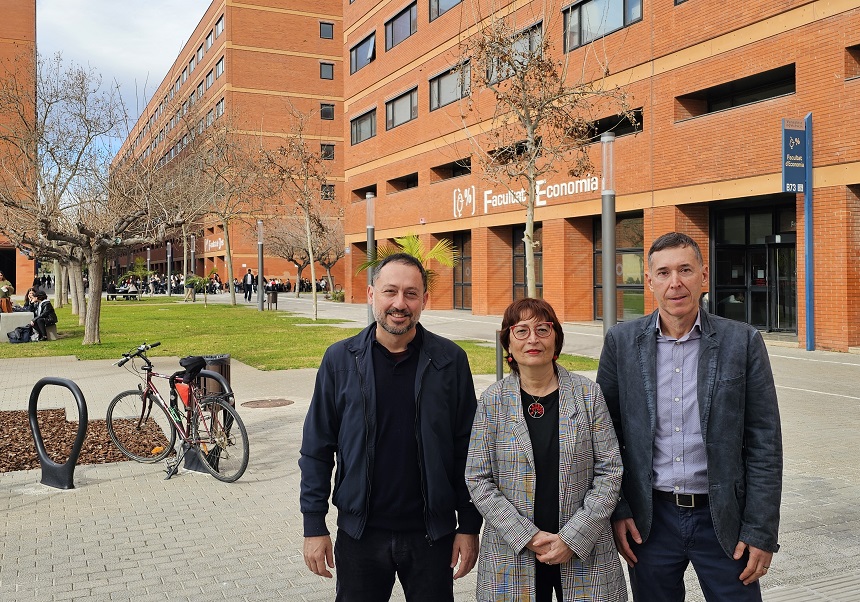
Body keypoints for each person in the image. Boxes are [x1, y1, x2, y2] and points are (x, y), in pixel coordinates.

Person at [596, 232, 783, 602]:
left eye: (685, 269)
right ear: (649, 281)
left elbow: (765, 440)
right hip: (650, 522)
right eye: (663, 272)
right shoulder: (621, 342)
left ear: (704, 276)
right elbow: (604, 436)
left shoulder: (742, 342)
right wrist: (620, 509)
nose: (675, 282)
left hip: (724, 520)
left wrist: (761, 530)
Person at [299, 252, 482, 602]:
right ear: (371, 295)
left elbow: (468, 450)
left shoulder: (450, 361)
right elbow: (317, 450)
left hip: (432, 535)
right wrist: (313, 524)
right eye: (390, 292)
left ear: (424, 300)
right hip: (360, 534)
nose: (400, 303)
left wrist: (469, 525)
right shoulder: (340, 360)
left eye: (411, 293)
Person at [466, 297, 627, 602]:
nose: (533, 339)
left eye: (543, 329)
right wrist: (528, 536)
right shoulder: (492, 400)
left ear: (556, 339)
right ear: (508, 344)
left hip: (584, 551)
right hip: (513, 554)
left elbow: (610, 471)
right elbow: (478, 477)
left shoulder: (587, 394)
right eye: (521, 331)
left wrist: (573, 538)